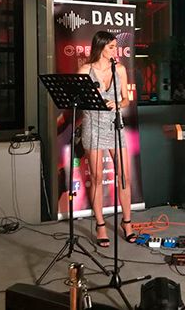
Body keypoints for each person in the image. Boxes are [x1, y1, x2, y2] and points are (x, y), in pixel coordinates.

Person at [79, 31, 136, 247]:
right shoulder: (85, 70)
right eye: (111, 46)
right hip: (93, 126)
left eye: (115, 46)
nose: (115, 50)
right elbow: (79, 99)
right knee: (96, 178)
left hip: (114, 125)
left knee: (124, 176)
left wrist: (118, 104)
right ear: (100, 47)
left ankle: (127, 222)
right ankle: (100, 225)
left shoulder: (119, 69)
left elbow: (126, 100)